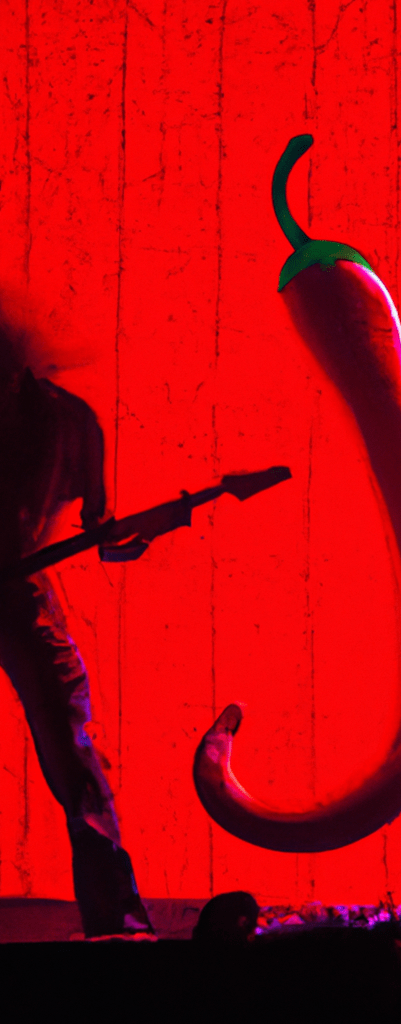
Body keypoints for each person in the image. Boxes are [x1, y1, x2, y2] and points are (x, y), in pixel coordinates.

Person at [0, 315, 152, 938]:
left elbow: (102, 532)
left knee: (73, 758)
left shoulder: (71, 422)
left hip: (24, 598)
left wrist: (123, 539)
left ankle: (117, 923)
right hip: (23, 596)